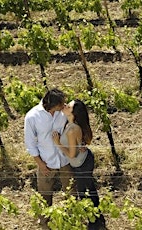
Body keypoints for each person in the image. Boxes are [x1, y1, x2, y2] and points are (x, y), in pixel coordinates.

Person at [52, 99, 106, 230]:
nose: (65, 105)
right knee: (88, 188)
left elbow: (71, 155)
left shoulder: (72, 129)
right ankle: (97, 217)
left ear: (74, 112)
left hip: (82, 163)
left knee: (83, 192)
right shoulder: (68, 122)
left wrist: (58, 143)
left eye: (68, 106)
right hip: (81, 161)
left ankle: (94, 221)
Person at [24, 88, 73, 227]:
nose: (64, 105)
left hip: (64, 159)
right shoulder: (32, 117)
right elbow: (30, 143)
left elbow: (73, 125)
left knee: (71, 192)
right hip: (46, 161)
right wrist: (41, 164)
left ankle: (72, 221)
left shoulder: (62, 113)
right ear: (52, 104)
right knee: (45, 195)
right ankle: (45, 225)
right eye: (61, 104)